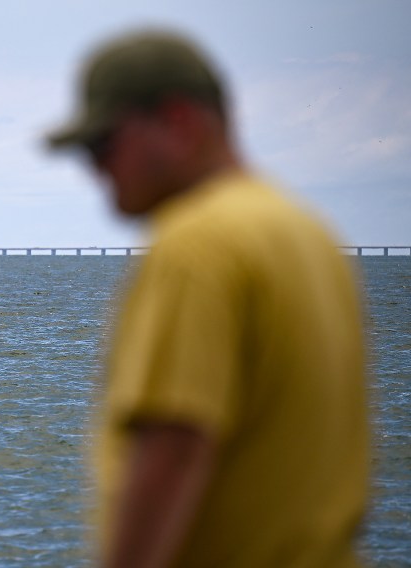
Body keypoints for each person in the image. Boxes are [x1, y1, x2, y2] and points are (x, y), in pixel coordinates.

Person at [47, 30, 369, 567]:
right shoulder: (310, 236)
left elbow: (174, 448)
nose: (94, 170)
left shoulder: (197, 247)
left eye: (102, 145)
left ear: (177, 121)